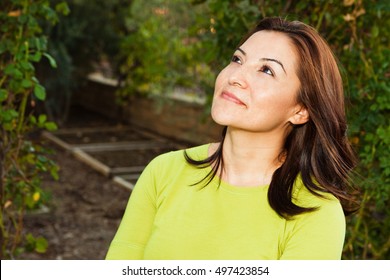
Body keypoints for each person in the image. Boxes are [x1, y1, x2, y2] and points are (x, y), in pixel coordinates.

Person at [105, 17, 358, 260]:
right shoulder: (163, 172)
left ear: (301, 110)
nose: (234, 77)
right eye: (237, 59)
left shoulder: (316, 212)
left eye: (267, 70)